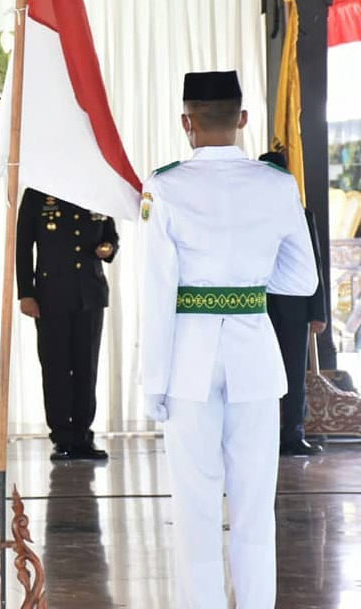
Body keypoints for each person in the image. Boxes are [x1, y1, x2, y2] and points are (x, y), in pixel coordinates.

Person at [139, 71, 318, 608]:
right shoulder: (276, 184)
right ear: (242, 119)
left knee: (195, 505)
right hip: (254, 355)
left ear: (186, 122)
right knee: (254, 504)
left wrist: (153, 382)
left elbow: (157, 291)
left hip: (188, 359)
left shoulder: (165, 185)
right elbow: (302, 280)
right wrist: (249, 282)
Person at [16, 188, 119, 461]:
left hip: (90, 294)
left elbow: (110, 234)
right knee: (56, 367)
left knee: (87, 367)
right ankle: (62, 437)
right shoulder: (37, 194)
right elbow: (23, 245)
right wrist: (26, 292)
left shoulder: (95, 188)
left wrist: (108, 248)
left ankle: (83, 435)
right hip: (51, 296)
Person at [258, 152, 328, 456]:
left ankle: (293, 434)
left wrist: (318, 312)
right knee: (260, 371)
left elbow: (314, 265)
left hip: (295, 305)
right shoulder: (249, 213)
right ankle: (263, 435)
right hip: (257, 303)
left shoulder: (301, 214)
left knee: (294, 371)